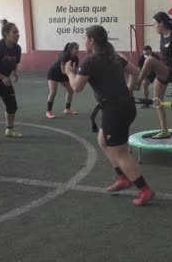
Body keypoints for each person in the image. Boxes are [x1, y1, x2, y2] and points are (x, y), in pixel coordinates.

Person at [65, 25, 155, 206]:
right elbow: (136, 73)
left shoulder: (89, 61)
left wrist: (69, 73)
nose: (83, 41)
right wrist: (129, 90)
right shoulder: (116, 56)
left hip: (115, 110)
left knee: (121, 153)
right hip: (125, 107)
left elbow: (76, 87)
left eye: (85, 38)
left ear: (92, 40)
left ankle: (145, 189)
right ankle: (122, 177)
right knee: (103, 140)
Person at [136, 12, 172, 139]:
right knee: (157, 101)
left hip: (171, 71)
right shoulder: (162, 36)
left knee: (149, 60)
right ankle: (165, 130)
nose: (154, 26)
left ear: (161, 23)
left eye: (154, 24)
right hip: (162, 70)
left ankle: (137, 84)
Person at [46, 42, 80, 118]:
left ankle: (67, 109)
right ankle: (48, 111)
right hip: (54, 73)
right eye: (76, 49)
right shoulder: (65, 56)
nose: (78, 50)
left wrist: (74, 73)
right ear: (71, 50)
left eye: (78, 48)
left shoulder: (76, 58)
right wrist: (71, 73)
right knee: (53, 91)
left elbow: (74, 71)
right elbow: (63, 71)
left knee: (70, 90)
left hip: (64, 75)